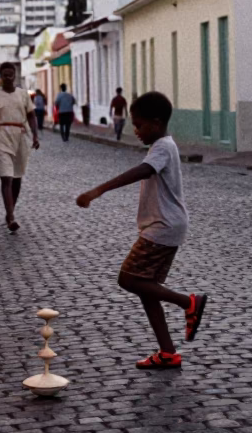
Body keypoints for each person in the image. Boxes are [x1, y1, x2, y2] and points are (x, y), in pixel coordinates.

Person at [76, 91, 207, 369]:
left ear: (157, 123)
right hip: (165, 226)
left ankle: (189, 302)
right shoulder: (162, 144)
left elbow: (143, 170)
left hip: (162, 228)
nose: (135, 130)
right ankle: (168, 352)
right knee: (147, 289)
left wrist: (98, 190)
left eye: (139, 125)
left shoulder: (161, 147)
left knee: (128, 278)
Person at [0, 62, 40, 232]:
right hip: (2, 137)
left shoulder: (23, 95)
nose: (8, 78)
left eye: (11, 74)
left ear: (15, 75)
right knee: (6, 177)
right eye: (5, 75)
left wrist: (35, 136)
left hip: (20, 137)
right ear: (0, 77)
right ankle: (11, 217)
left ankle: (10, 211)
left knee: (17, 178)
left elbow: (31, 116)